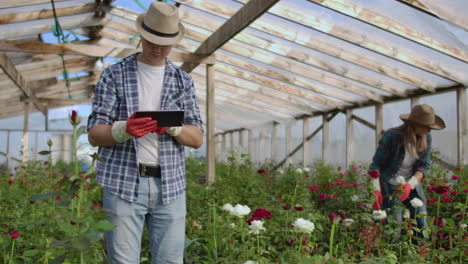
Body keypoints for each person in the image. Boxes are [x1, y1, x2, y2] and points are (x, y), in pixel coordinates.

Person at [87, 2, 203, 263]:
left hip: (170, 186)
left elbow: (196, 139)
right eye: (151, 40)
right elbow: (94, 134)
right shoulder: (114, 75)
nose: (158, 48)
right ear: (141, 34)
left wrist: (173, 127)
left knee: (171, 261)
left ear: (174, 41)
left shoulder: (181, 80)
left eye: (165, 43)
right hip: (122, 183)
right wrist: (123, 129)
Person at [368, 104, 445, 240]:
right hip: (390, 185)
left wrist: (409, 186)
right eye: (425, 126)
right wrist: (376, 191)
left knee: (421, 223)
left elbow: (424, 165)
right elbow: (375, 165)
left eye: (430, 127)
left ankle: (420, 256)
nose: (428, 130)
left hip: (412, 184)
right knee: (394, 227)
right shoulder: (392, 136)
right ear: (414, 124)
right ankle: (391, 256)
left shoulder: (426, 138)